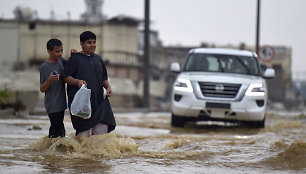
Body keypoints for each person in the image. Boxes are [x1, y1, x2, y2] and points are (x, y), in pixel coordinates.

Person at [64, 31, 116, 137]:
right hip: (82, 106)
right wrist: (77, 82)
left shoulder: (98, 59)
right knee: (84, 138)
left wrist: (108, 87)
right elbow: (65, 78)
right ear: (81, 44)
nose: (92, 45)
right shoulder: (75, 59)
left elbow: (103, 79)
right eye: (89, 42)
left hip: (99, 105)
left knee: (101, 136)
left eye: (94, 42)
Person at [39, 39, 68, 138]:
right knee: (60, 131)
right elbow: (42, 89)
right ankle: (54, 150)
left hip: (61, 103)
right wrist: (50, 80)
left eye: (61, 51)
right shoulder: (44, 67)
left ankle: (48, 150)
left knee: (55, 130)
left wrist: (74, 55)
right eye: (57, 51)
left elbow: (72, 65)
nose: (60, 54)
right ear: (49, 51)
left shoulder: (62, 61)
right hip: (52, 105)